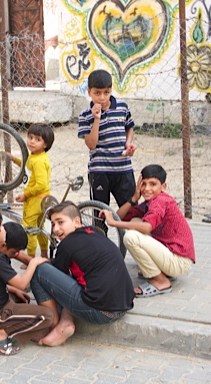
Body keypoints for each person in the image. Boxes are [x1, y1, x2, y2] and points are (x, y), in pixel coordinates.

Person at [29, 201, 135, 346]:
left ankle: (52, 326)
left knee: (39, 270)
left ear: (77, 222)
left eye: (60, 222)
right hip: (123, 307)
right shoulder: (94, 232)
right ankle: (66, 322)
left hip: (99, 312)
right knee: (77, 275)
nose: (56, 229)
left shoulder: (67, 244)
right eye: (53, 224)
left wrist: (30, 261)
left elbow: (52, 275)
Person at [0, 208, 54, 355]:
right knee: (47, 316)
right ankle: (0, 334)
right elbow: (21, 283)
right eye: (1, 227)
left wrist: (12, 290)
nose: (4, 229)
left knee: (19, 298)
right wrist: (33, 263)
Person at [102, 164, 195, 298]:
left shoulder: (161, 201)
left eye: (153, 184)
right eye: (143, 184)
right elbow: (120, 215)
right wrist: (134, 198)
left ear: (163, 187)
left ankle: (160, 281)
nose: (147, 189)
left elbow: (146, 227)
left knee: (131, 237)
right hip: (172, 255)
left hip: (179, 261)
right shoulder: (149, 203)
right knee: (135, 222)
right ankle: (160, 271)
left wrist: (113, 223)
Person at [78, 69, 137, 208]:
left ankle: (129, 230)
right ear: (89, 92)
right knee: (99, 213)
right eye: (97, 93)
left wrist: (128, 144)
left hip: (123, 168)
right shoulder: (85, 115)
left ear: (111, 90)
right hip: (99, 171)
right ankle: (100, 231)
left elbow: (129, 127)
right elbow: (91, 145)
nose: (102, 98)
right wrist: (96, 119)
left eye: (106, 92)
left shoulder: (122, 107)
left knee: (130, 209)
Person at [8, 123, 54, 261]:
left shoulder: (38, 161)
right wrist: (14, 159)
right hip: (43, 198)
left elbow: (41, 184)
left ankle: (31, 258)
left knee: (29, 228)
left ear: (45, 144)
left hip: (36, 198)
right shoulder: (36, 156)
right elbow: (27, 166)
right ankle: (44, 254)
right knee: (39, 227)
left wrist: (26, 195)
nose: (32, 141)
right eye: (30, 137)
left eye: (38, 139)